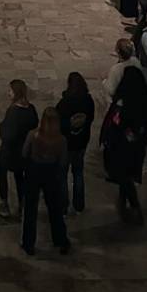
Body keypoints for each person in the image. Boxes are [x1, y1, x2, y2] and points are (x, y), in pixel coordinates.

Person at [100, 60, 147, 224]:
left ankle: (134, 207)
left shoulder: (123, 106)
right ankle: (123, 203)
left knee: (123, 177)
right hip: (137, 148)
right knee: (127, 176)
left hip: (121, 148)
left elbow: (116, 124)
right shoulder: (145, 102)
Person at [20, 108, 70, 256]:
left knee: (30, 209)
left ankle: (28, 244)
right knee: (55, 209)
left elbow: (24, 153)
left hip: (34, 172)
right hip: (51, 173)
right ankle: (60, 240)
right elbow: (63, 161)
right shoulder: (61, 140)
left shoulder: (33, 135)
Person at [0, 79, 38, 220]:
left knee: (2, 173)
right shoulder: (31, 109)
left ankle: (4, 203)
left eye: (10, 91)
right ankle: (22, 204)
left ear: (16, 93)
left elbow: (8, 134)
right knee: (20, 177)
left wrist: (2, 128)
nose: (8, 93)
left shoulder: (13, 112)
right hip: (24, 150)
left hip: (10, 151)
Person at [56, 72, 95, 214]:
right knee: (78, 173)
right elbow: (90, 118)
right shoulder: (88, 101)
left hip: (67, 144)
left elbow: (58, 122)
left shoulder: (65, 103)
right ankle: (79, 205)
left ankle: (63, 206)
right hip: (81, 142)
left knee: (62, 175)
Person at [103, 38, 136, 102]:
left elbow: (110, 90)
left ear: (118, 51)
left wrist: (104, 82)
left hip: (121, 101)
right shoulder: (136, 62)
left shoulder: (116, 69)